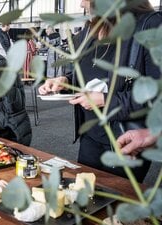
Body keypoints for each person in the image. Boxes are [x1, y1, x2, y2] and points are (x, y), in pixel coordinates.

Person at [38, 0, 161, 182]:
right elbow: (88, 74)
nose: (81, 4)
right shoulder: (92, 28)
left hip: (125, 139)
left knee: (115, 205)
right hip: (90, 135)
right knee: (85, 196)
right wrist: (66, 81)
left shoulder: (150, 26)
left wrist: (106, 100)